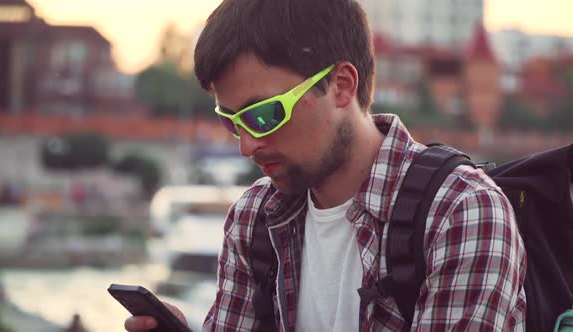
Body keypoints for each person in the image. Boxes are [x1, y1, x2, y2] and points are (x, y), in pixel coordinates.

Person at [125, 0, 526, 330]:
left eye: (263, 115)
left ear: (341, 86)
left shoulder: (462, 212)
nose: (247, 145)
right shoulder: (253, 220)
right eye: (230, 121)